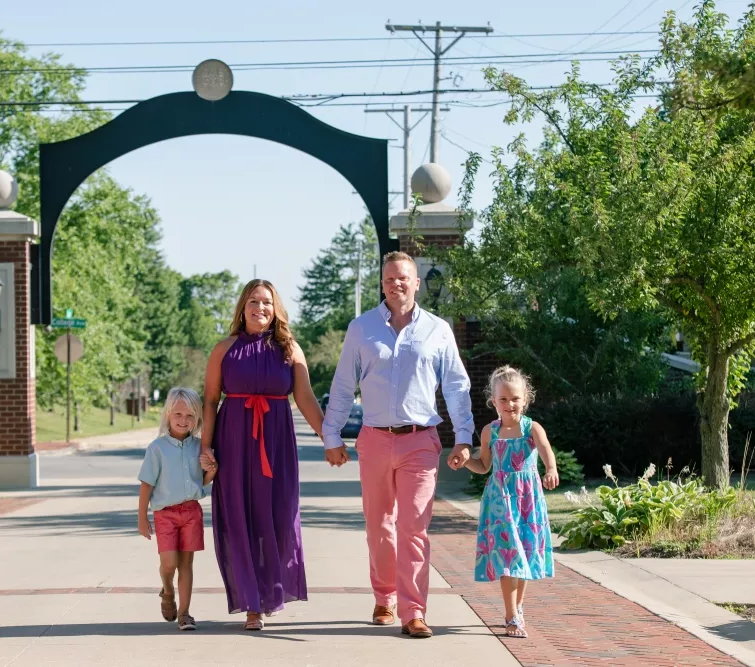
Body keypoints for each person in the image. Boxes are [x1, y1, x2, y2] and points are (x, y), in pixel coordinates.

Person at [323, 251, 474, 639]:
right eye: (390, 279)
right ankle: (384, 596)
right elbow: (342, 385)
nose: (397, 284)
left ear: (417, 282)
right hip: (373, 440)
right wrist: (332, 435)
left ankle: (414, 611)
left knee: (413, 528)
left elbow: (456, 386)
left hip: (420, 441)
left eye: (404, 278)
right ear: (383, 284)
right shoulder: (361, 329)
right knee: (379, 527)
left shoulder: (438, 330)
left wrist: (463, 437)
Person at [200, 279, 325, 631]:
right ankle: (252, 604)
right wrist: (205, 447)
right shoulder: (223, 349)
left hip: (277, 442)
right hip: (234, 440)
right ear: (243, 306)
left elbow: (306, 400)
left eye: (267, 302)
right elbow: (210, 400)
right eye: (253, 301)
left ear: (276, 308)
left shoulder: (290, 350)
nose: (260, 308)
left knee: (280, 516)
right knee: (240, 519)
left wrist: (329, 437)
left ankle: (271, 592)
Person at [466, 365, 557, 639]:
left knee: (525, 554)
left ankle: (517, 608)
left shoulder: (532, 428)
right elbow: (484, 465)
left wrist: (550, 469)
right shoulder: (489, 432)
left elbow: (546, 452)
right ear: (493, 401)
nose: (509, 404)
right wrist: (464, 462)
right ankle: (510, 615)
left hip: (528, 500)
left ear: (525, 399)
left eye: (515, 398)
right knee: (508, 555)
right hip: (499, 501)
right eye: (503, 399)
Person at [137, 387, 217, 631]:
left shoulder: (200, 447)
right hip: (166, 514)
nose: (184, 420)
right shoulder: (157, 448)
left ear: (198, 419)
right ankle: (167, 589)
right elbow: (147, 484)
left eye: (190, 416)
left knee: (186, 564)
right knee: (169, 563)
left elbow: (200, 482)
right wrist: (142, 517)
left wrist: (212, 469)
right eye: (178, 415)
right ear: (168, 415)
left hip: (191, 512)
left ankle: (185, 613)